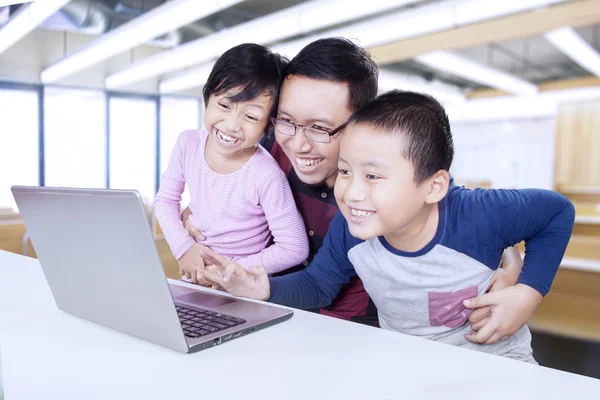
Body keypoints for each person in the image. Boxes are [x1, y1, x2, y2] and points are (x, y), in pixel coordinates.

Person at [200, 90, 575, 362]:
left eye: (374, 176)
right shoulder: (352, 225)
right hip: (406, 365)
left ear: (434, 186)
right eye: (345, 171)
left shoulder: (476, 213)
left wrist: (527, 294)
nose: (352, 192)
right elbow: (319, 284)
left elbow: (556, 212)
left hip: (497, 366)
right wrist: (262, 288)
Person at [184, 37, 524, 331]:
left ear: (362, 123)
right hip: (269, 310)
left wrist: (509, 259)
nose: (300, 144)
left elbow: (450, 207)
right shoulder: (272, 147)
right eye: (287, 120)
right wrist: (197, 212)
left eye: (320, 127)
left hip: (357, 329)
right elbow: (217, 177)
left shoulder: (389, 177)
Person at [154, 43, 309, 283]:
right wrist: (184, 248)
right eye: (224, 105)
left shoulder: (266, 175)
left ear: (268, 125)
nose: (231, 125)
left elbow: (295, 248)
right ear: (208, 97)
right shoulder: (188, 144)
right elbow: (165, 201)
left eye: (250, 116)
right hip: (194, 281)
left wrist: (226, 270)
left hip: (242, 291)